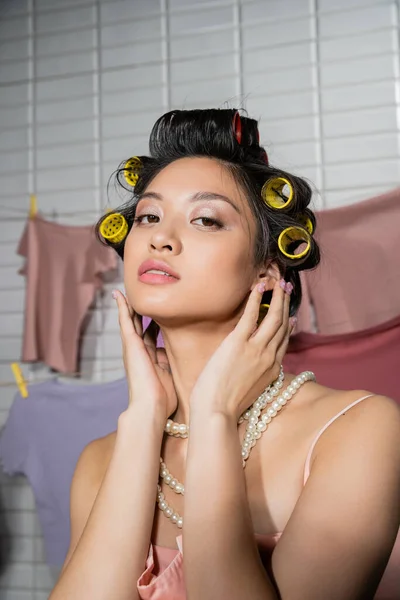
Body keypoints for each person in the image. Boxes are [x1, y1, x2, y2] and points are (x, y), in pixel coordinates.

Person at [49, 109, 400, 600]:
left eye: (206, 220)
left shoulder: (358, 429)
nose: (159, 237)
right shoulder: (100, 460)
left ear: (266, 271)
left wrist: (215, 415)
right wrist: (145, 417)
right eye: (148, 216)